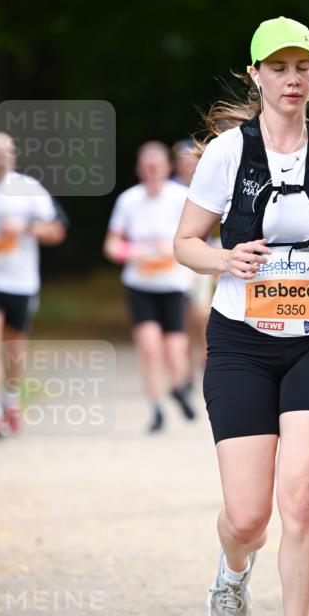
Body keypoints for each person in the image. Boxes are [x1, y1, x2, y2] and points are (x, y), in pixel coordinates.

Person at [174, 16, 309, 616]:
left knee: (303, 499)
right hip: (240, 342)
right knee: (250, 515)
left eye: (303, 67)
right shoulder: (228, 154)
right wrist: (224, 257)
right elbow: (186, 243)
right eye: (279, 67)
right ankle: (233, 569)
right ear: (256, 75)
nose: (292, 79)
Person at [0, 132, 66, 436]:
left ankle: (10, 399)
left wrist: (25, 227)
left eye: (7, 152)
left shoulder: (29, 189)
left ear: (14, 156)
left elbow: (57, 230)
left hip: (21, 281)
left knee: (14, 347)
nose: (1, 158)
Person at [104, 141, 196, 433]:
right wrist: (130, 252)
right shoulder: (128, 201)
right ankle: (156, 408)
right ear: (139, 169)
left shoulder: (182, 197)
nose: (152, 170)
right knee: (149, 348)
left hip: (174, 284)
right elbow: (112, 244)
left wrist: (172, 249)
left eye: (157, 165)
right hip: (140, 284)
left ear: (167, 168)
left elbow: (199, 237)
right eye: (147, 165)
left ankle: (180, 387)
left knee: (175, 351)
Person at [172, 137, 212, 377]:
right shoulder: (171, 190)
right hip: (178, 256)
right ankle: (184, 367)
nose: (189, 165)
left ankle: (207, 351)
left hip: (208, 251)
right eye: (183, 161)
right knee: (184, 315)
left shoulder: (210, 183)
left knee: (201, 309)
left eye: (192, 160)